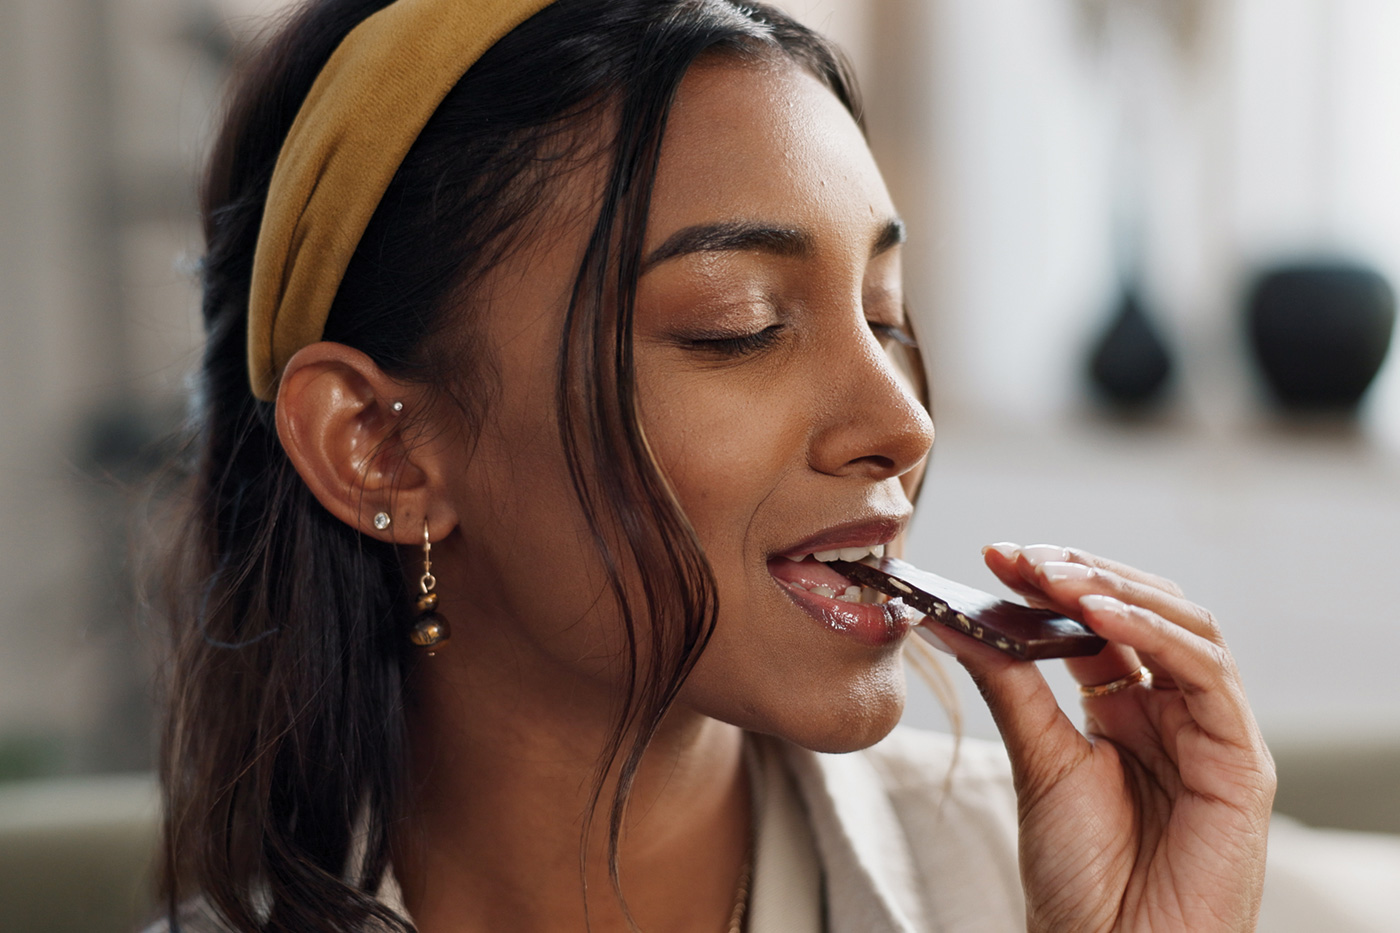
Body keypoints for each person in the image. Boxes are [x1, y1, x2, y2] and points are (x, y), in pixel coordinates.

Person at [152, 0, 1275, 930]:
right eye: (733, 324)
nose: (901, 422)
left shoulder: (1046, 889)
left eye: (881, 316)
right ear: (380, 447)